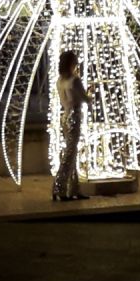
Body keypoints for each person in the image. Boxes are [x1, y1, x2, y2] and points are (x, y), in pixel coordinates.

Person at [52, 50, 91, 202]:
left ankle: (74, 189)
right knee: (69, 155)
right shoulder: (75, 80)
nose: (77, 64)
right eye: (75, 61)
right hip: (74, 116)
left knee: (72, 153)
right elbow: (85, 99)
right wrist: (90, 94)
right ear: (71, 63)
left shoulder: (59, 81)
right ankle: (59, 188)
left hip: (64, 117)